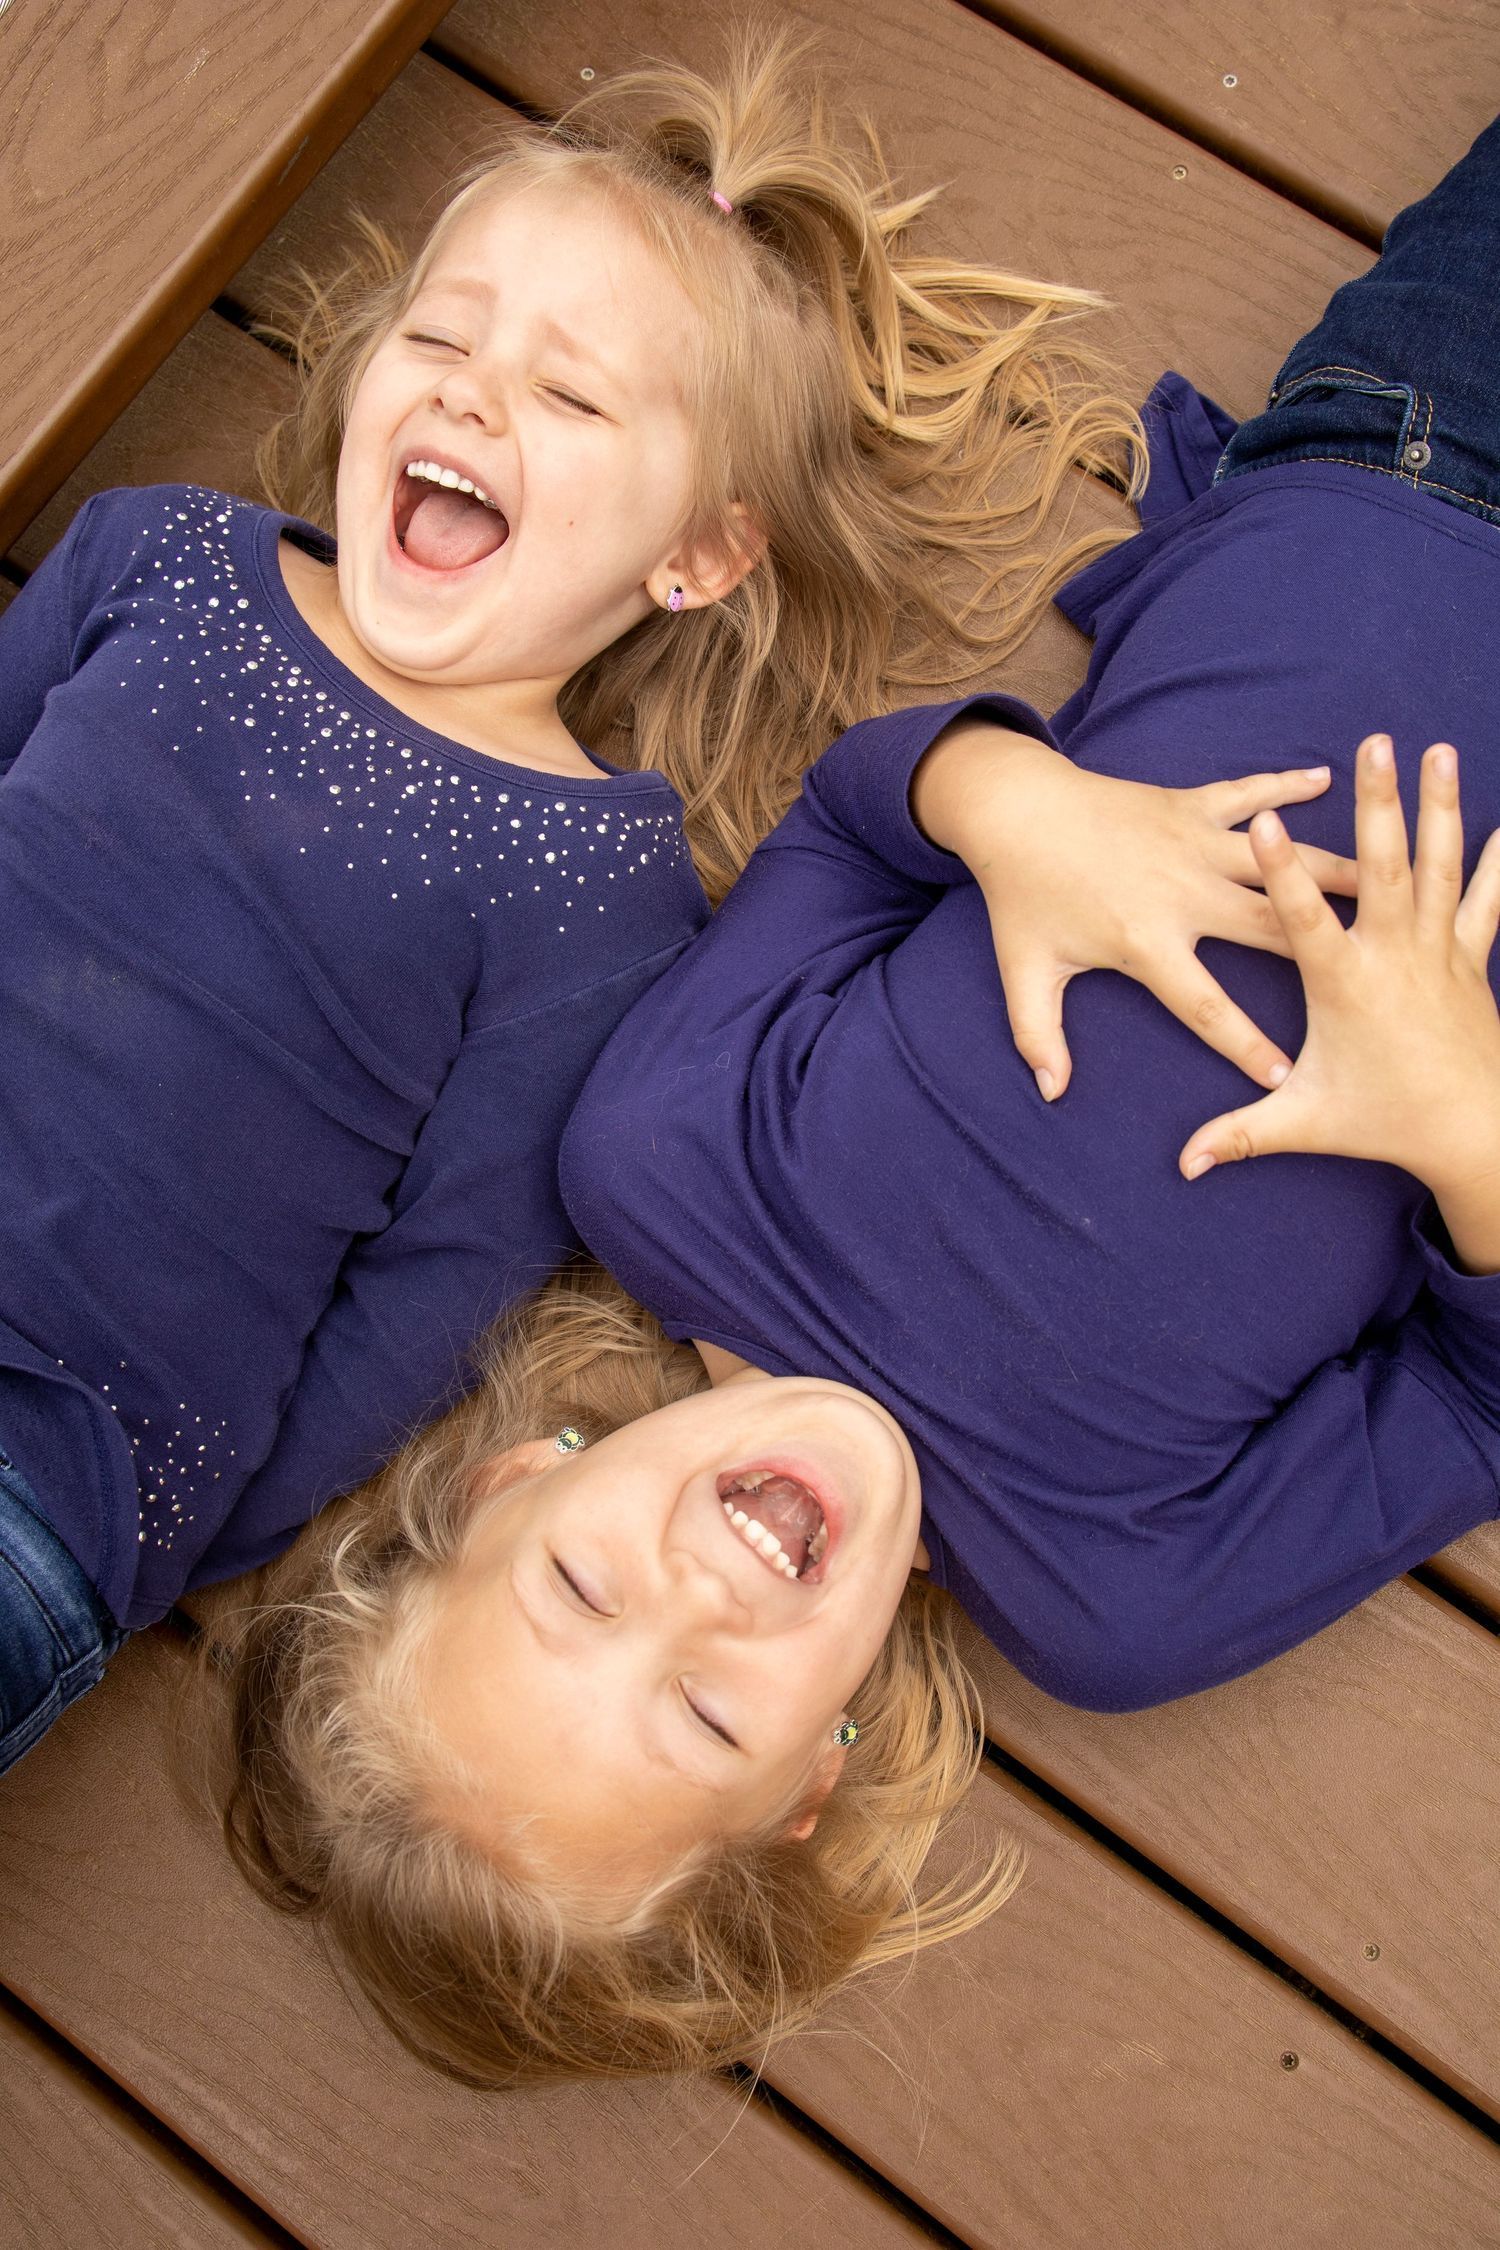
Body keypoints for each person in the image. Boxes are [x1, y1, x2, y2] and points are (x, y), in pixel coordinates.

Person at [216, 116, 1500, 2089]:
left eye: (582, 1593)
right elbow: (1475, 1400)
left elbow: (849, 816)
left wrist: (1023, 813)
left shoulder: (663, 1162)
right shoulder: (1114, 1593)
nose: (701, 1600)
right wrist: (1455, 1122)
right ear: (810, 1786)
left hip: (1396, 461)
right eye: (705, 1723)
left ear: (510, 1483)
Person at [0, 34, 1146, 1773]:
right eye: (442, 337)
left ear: (696, 556)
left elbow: (431, 1293)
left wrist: (178, 1519)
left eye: (571, 395)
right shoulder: (160, 557)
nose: (468, 395)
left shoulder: (588, 888)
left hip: (50, 1474)